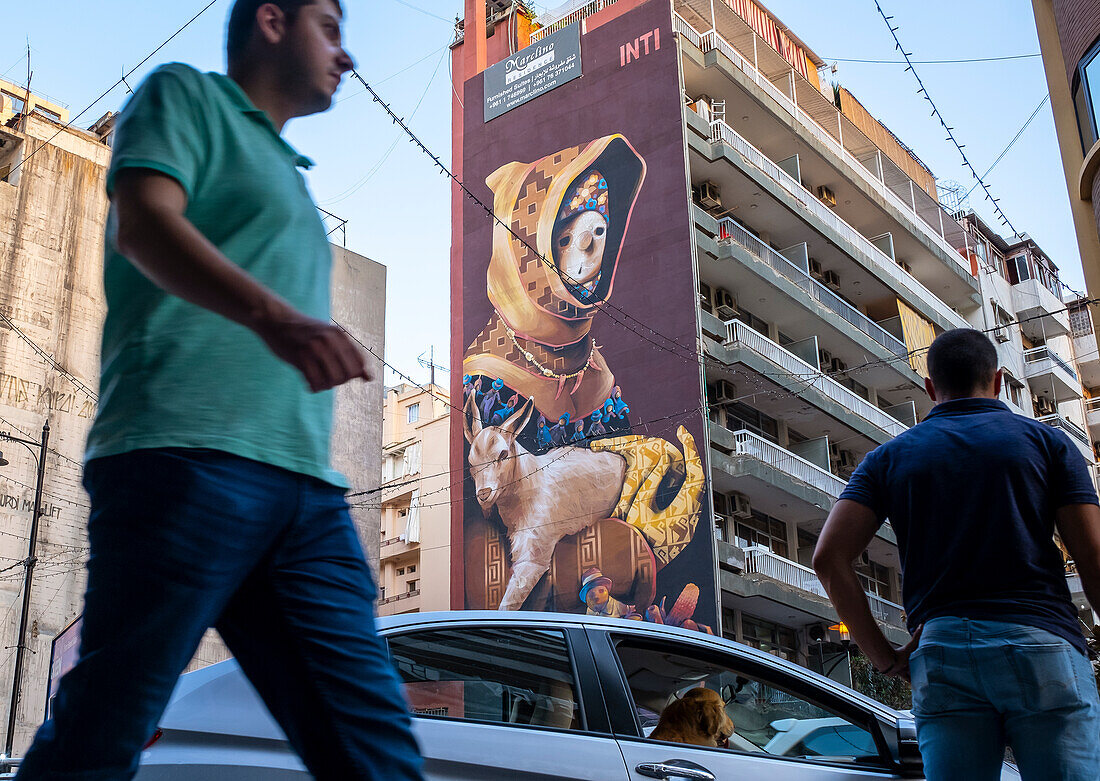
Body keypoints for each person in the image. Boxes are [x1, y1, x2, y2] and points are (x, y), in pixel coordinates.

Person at [17, 2, 424, 779]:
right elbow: (143, 220)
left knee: (377, 750)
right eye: (330, 28)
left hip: (307, 497)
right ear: (272, 19)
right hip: (180, 461)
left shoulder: (297, 186)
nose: (349, 57)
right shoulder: (183, 97)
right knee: (100, 736)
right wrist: (277, 319)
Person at [813, 328, 1100, 780]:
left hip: (945, 652)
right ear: (999, 380)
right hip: (1043, 644)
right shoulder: (1050, 445)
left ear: (931, 387)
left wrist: (886, 658)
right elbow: (1094, 559)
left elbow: (828, 559)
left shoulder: (889, 459)